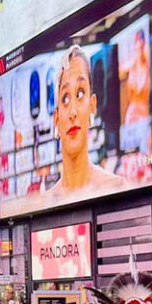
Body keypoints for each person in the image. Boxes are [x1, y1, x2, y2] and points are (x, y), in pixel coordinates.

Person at [46, 46, 125, 201]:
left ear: (92, 105)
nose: (73, 112)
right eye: (65, 99)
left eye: (80, 94)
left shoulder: (116, 187)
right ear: (56, 119)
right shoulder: (45, 203)